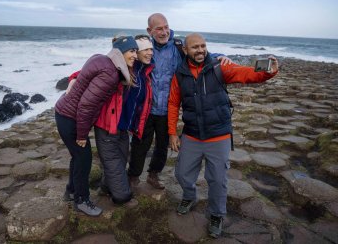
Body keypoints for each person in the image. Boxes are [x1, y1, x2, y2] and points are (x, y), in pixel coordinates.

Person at [168, 33, 279, 238]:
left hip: (218, 135)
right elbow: (174, 103)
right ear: (185, 50)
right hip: (192, 134)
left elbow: (247, 74)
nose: (200, 50)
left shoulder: (219, 66)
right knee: (182, 174)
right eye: (195, 47)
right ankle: (189, 196)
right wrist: (172, 132)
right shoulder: (180, 73)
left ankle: (217, 215)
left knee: (217, 180)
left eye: (203, 46)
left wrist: (268, 73)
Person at [127, 13, 231, 189]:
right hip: (144, 108)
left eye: (166, 27)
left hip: (168, 108)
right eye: (159, 28)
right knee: (140, 144)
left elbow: (201, 54)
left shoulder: (177, 46)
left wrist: (222, 56)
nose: (164, 31)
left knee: (162, 146)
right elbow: (122, 58)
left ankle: (154, 175)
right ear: (149, 30)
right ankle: (133, 177)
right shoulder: (143, 47)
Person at [65, 35, 155, 206]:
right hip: (108, 125)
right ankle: (120, 195)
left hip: (124, 127)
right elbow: (89, 72)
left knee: (120, 161)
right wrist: (73, 79)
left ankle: (105, 188)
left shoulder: (146, 70)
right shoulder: (123, 66)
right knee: (114, 164)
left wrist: (222, 57)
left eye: (151, 49)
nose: (150, 52)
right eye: (144, 49)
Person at [55, 36, 138, 216]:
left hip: (64, 112)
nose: (135, 55)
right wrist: (82, 136)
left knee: (77, 157)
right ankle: (81, 200)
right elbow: (86, 105)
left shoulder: (102, 59)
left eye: (136, 51)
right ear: (121, 52)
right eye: (132, 51)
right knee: (83, 159)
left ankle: (70, 191)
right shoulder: (111, 74)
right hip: (71, 118)